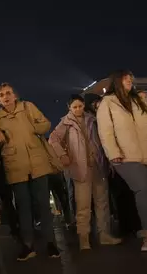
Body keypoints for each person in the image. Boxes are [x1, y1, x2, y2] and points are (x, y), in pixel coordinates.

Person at [96, 70, 147, 252]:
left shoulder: (140, 100)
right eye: (125, 78)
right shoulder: (108, 103)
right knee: (143, 190)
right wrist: (113, 152)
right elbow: (105, 131)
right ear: (117, 81)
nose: (129, 80)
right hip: (126, 156)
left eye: (130, 78)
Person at [0, 83, 60, 261]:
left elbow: (45, 123)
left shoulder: (28, 107)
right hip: (16, 167)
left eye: (8, 93)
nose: (6, 97)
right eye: (1, 95)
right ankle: (28, 245)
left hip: (37, 163)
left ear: (15, 95)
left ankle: (50, 243)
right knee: (23, 208)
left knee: (44, 206)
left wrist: (34, 129)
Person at [49, 94, 122, 250]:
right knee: (83, 206)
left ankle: (104, 235)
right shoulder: (66, 123)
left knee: (102, 203)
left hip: (98, 165)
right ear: (69, 108)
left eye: (80, 106)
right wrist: (62, 155)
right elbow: (53, 139)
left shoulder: (92, 119)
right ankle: (84, 239)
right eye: (74, 107)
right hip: (80, 169)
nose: (78, 109)